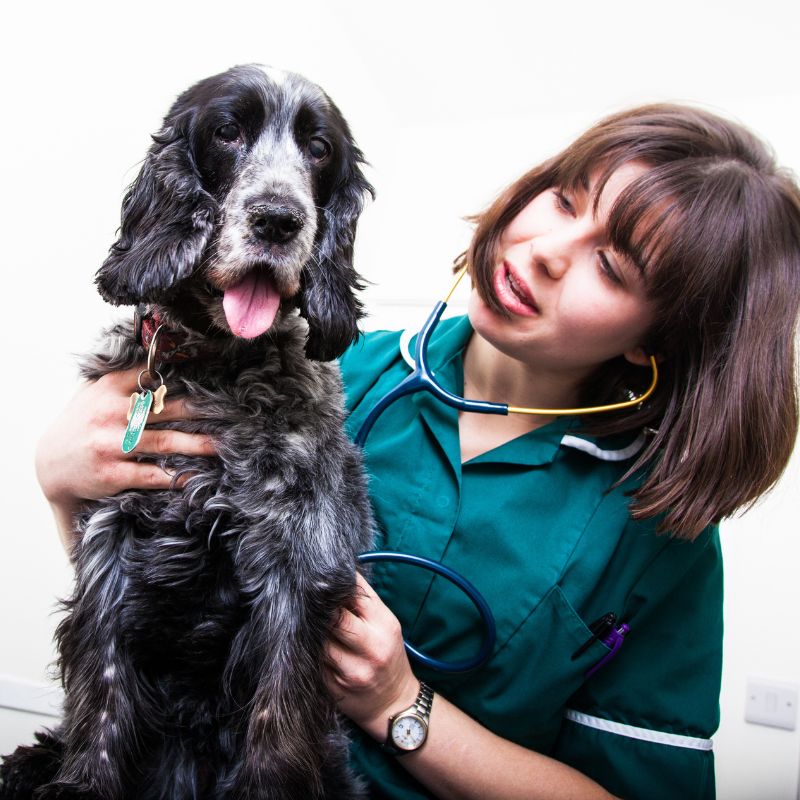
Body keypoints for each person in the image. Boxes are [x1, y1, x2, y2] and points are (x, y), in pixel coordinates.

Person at [37, 104, 800, 799]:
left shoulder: (657, 527)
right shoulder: (329, 374)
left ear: (653, 345)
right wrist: (62, 482)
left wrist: (402, 706)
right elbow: (148, 609)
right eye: (565, 200)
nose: (546, 251)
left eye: (612, 265)